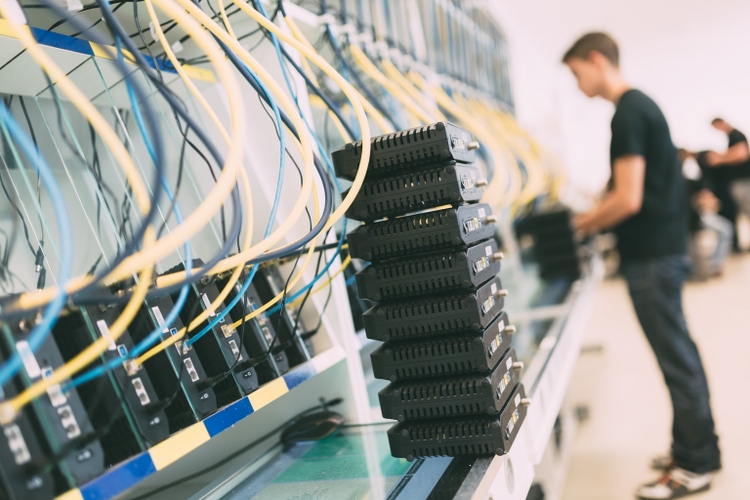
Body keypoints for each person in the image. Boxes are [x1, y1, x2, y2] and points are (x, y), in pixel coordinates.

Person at [562, 32, 721, 499]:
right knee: (680, 356)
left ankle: (693, 466)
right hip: (662, 252)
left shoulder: (629, 112)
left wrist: (581, 225)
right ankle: (695, 449)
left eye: (576, 73)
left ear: (597, 60)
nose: (577, 84)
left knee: (677, 360)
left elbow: (628, 199)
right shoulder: (642, 107)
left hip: (652, 257)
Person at [678, 149, 734, 279]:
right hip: (685, 220)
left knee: (725, 229)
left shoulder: (690, 176)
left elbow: (708, 198)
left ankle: (715, 264)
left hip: (696, 215)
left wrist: (706, 201)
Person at [705, 118, 750, 223]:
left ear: (722, 123)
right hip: (739, 181)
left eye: (717, 127)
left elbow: (742, 154)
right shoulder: (731, 137)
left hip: (743, 181)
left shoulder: (736, 134)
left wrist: (719, 158)